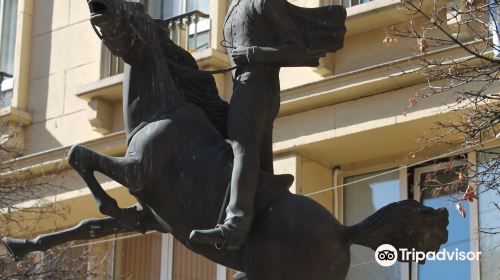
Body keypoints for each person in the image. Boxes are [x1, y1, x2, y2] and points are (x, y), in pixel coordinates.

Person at [190, 0, 346, 250]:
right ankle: (261, 228)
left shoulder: (263, 2)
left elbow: (295, 48)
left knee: (244, 150)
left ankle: (235, 224)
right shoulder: (234, 6)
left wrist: (252, 54)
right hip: (244, 84)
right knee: (256, 157)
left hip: (258, 84)